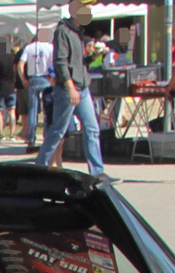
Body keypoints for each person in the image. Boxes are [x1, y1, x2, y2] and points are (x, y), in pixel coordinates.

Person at [36, 3, 109, 178]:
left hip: (83, 88)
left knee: (92, 129)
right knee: (58, 130)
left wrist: (93, 57)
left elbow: (77, 62)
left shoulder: (78, 32)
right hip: (69, 88)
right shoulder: (63, 31)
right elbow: (60, 62)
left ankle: (97, 172)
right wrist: (70, 88)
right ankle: (39, 167)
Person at [20, 26, 55, 148]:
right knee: (48, 109)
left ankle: (31, 138)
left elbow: (20, 64)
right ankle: (47, 136)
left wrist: (23, 78)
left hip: (33, 78)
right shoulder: (50, 47)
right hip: (46, 78)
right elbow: (53, 64)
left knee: (33, 110)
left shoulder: (29, 48)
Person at [0, 40, 20, 141]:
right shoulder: (14, 59)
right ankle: (12, 133)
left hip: (1, 87)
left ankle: (1, 133)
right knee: (12, 111)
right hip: (11, 87)